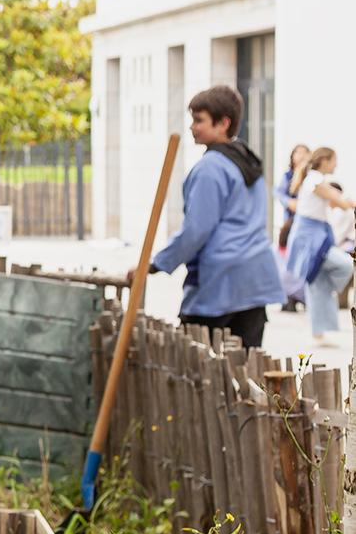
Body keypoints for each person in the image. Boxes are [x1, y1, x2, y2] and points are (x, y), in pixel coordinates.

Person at [149, 86, 285, 348]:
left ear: (223, 123)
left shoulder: (210, 168)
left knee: (196, 364)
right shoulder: (249, 163)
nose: (192, 127)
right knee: (246, 370)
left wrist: (156, 264)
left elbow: (197, 230)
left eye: (199, 120)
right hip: (256, 279)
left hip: (221, 280)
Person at [284, 147, 356, 344]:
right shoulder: (315, 180)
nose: (336, 165)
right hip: (311, 237)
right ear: (324, 160)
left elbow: (335, 197)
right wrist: (346, 202)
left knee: (317, 282)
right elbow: (338, 201)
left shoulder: (314, 179)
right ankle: (320, 328)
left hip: (315, 235)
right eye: (334, 160)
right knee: (345, 265)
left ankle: (319, 332)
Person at [277, 143, 311, 310]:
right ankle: (289, 296)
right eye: (298, 153)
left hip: (304, 225)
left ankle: (299, 295)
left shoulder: (311, 177)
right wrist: (290, 202)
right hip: (290, 224)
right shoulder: (287, 176)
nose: (301, 156)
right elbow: (280, 194)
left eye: (305, 153)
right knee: (288, 260)